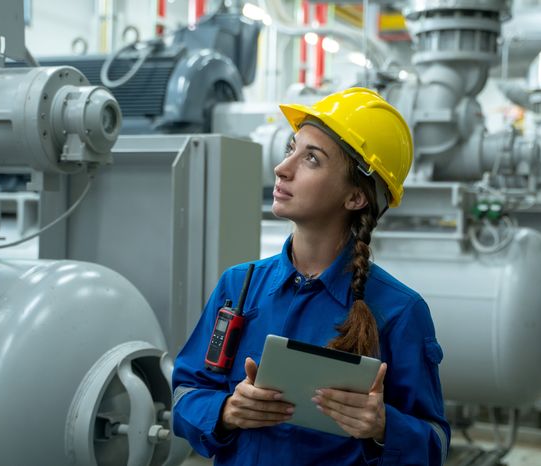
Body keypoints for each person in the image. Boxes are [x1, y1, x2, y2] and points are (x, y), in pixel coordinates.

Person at [172, 87, 450, 465]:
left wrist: (384, 427)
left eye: (312, 159)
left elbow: (434, 443)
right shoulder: (240, 286)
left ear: (355, 197)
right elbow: (185, 392)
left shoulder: (399, 311)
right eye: (291, 149)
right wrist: (225, 411)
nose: (282, 168)